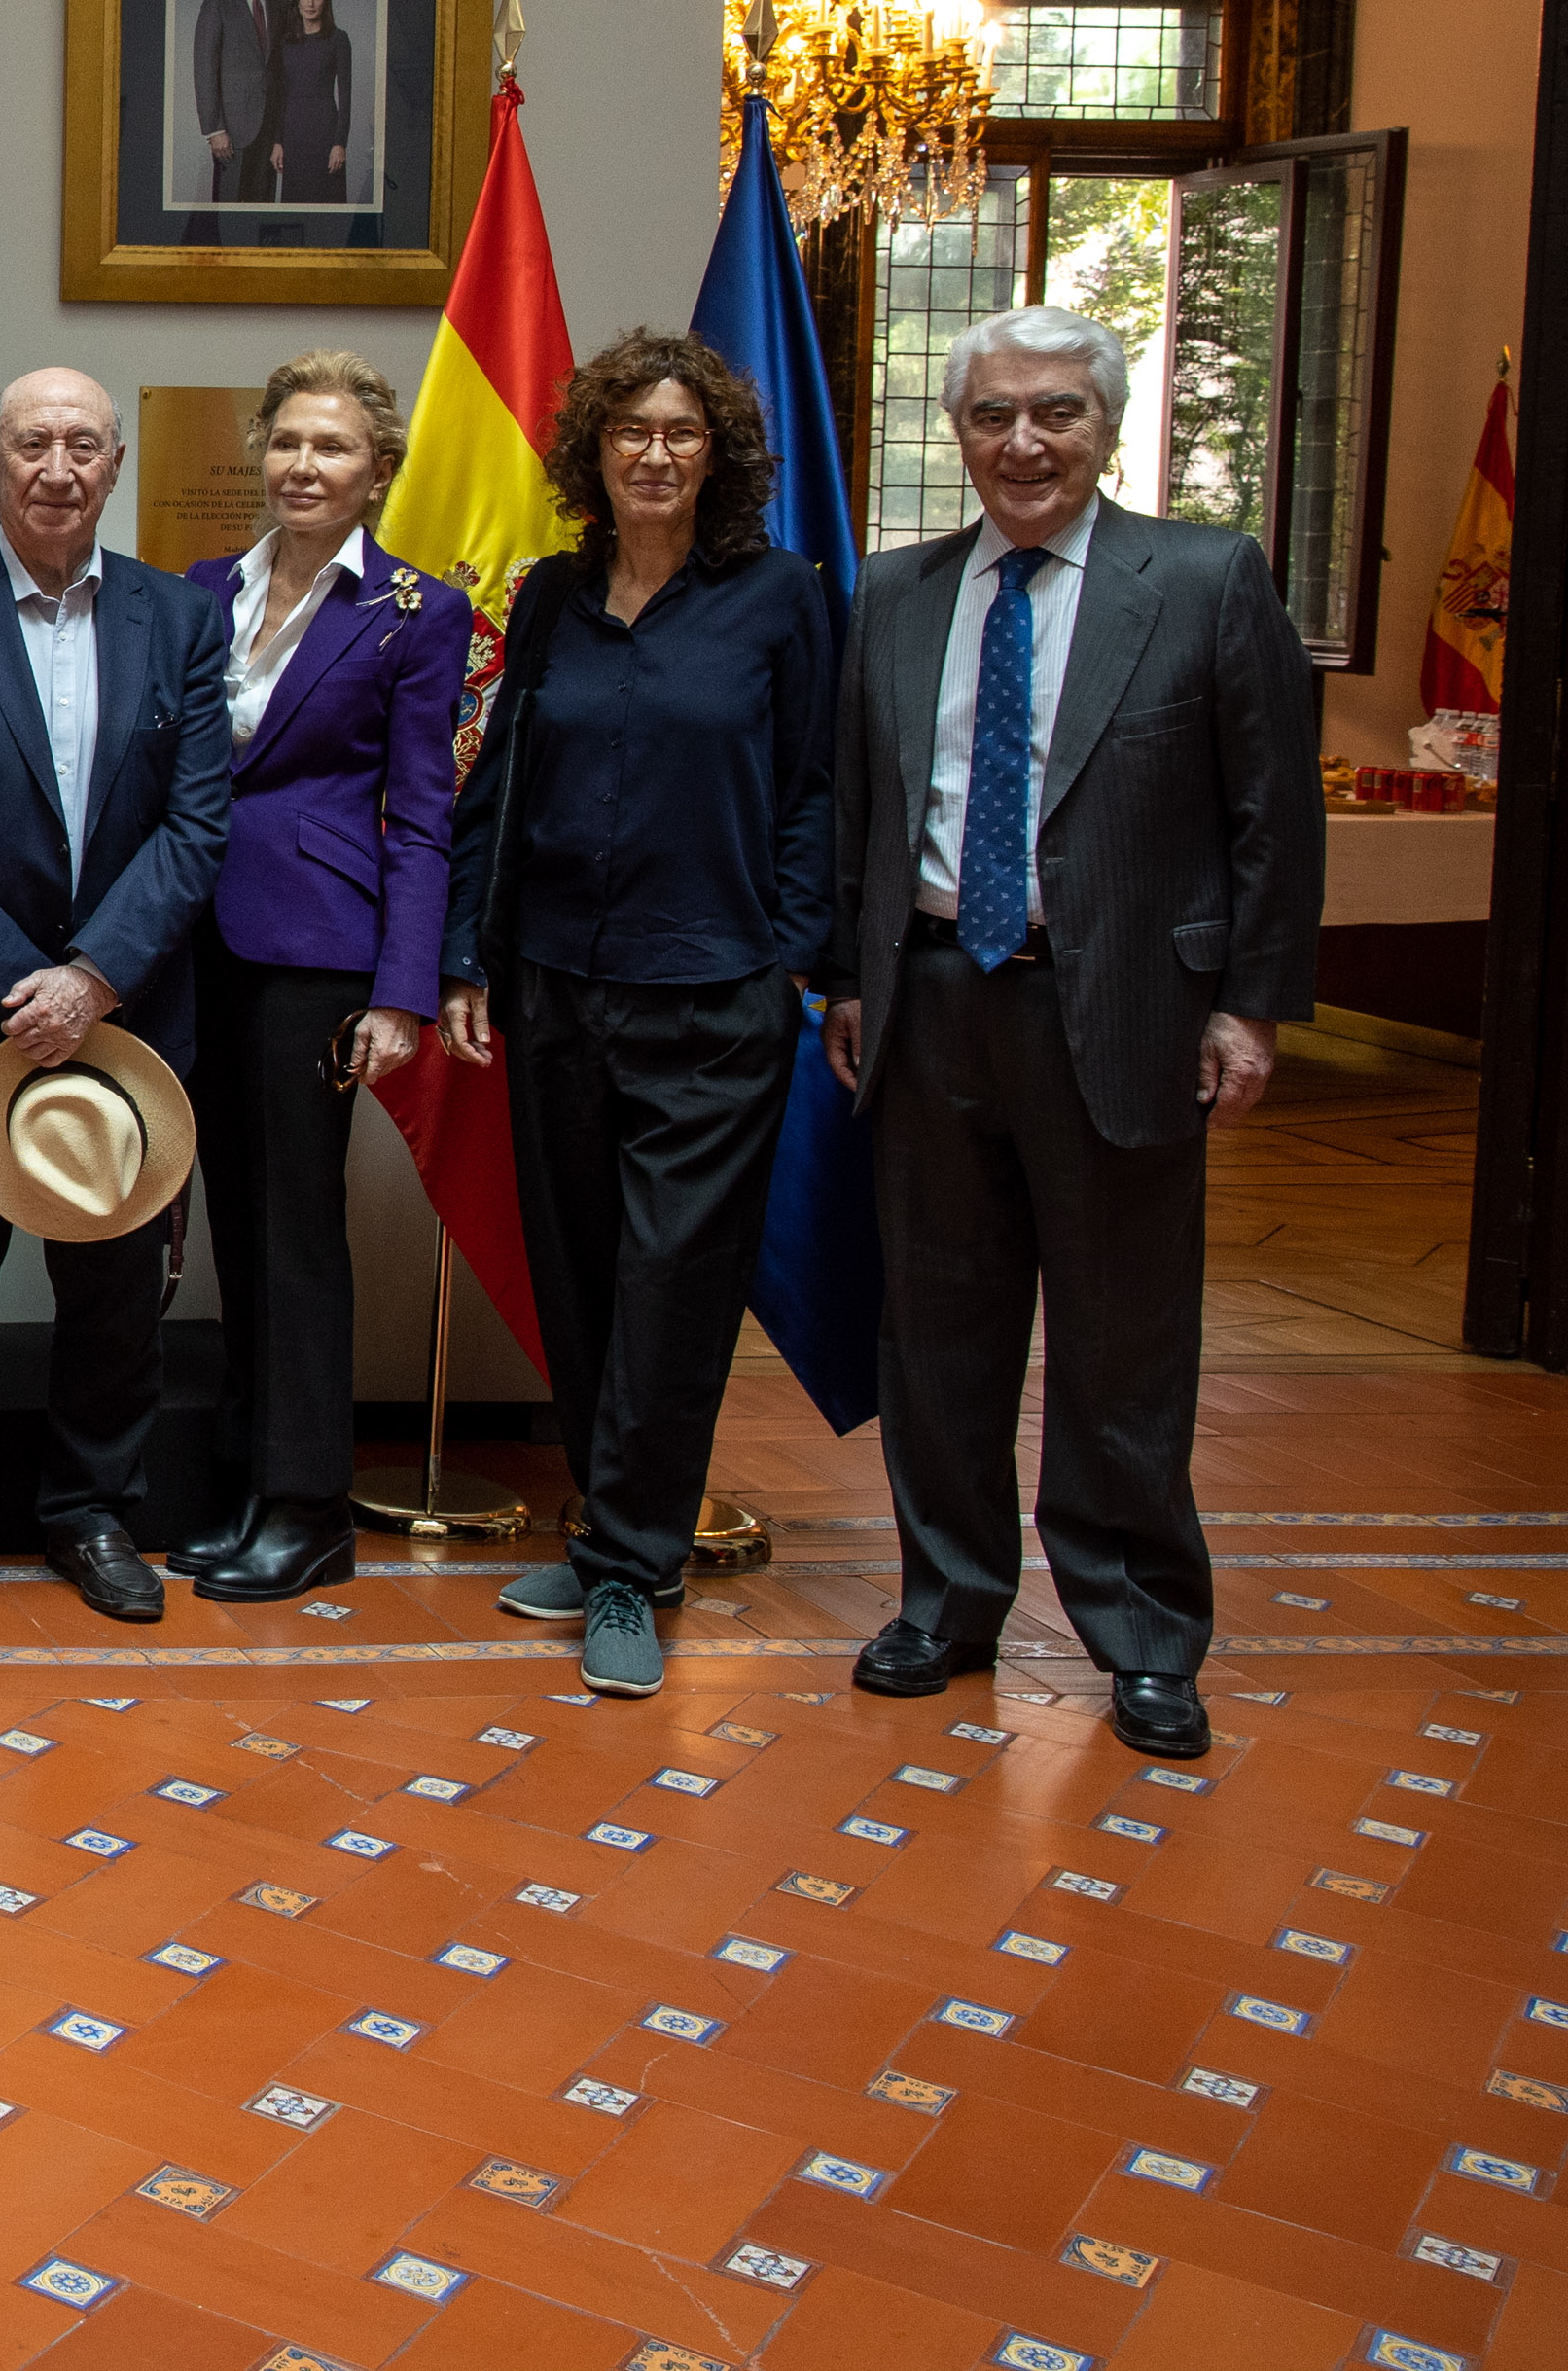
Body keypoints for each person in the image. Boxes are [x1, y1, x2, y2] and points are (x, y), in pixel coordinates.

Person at [821, 305, 1319, 1764]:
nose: (1022, 443)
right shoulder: (900, 593)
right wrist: (849, 980)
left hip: (1127, 1015)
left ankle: (1146, 1635)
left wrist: (1252, 1005)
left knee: (1125, 1346)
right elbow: (863, 803)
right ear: (958, 433)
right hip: (930, 1004)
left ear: (1104, 427)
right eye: (992, 416)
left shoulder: (1207, 580)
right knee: (941, 1337)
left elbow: (1270, 817)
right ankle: (948, 1602)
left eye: (1055, 414)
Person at [440, 328, 835, 1702]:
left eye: (681, 433)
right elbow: (493, 792)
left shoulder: (780, 598)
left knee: (675, 1287)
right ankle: (609, 1527)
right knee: (584, 1271)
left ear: (716, 455)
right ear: (593, 453)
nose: (654, 454)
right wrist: (467, 961)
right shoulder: (549, 597)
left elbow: (815, 792)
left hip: (712, 995)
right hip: (554, 983)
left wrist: (787, 956)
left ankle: (634, 1571)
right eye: (630, 432)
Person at [0, 370, 232, 1622]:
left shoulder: (179, 622)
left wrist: (92, 979)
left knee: (114, 1295)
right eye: (31, 444)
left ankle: (90, 1514)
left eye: (81, 444)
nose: (55, 467)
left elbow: (195, 824)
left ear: (114, 464)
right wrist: (27, 984)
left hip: (124, 1029)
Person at [173, 352, 467, 1603]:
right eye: (287, 441)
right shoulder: (199, 592)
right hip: (193, 943)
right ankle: (249, 1485)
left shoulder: (413, 611)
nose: (304, 466)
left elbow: (423, 812)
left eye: (332, 448)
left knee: (295, 1234)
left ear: (377, 471)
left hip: (317, 959)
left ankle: (307, 1511)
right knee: (229, 1223)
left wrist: (400, 992)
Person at [191, 0, 286, 202]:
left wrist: (281, 136)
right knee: (229, 215)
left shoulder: (283, 7)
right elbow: (204, 70)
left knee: (262, 219)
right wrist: (215, 129)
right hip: (231, 133)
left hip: (270, 134)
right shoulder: (216, 4)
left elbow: (283, 74)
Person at [271, 0, 357, 206]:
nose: (310, 3)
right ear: (297, 2)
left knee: (327, 204)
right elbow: (281, 96)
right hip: (293, 136)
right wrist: (278, 141)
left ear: (325, 1)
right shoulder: (286, 43)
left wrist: (340, 143)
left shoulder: (338, 39)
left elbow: (346, 96)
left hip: (325, 134)